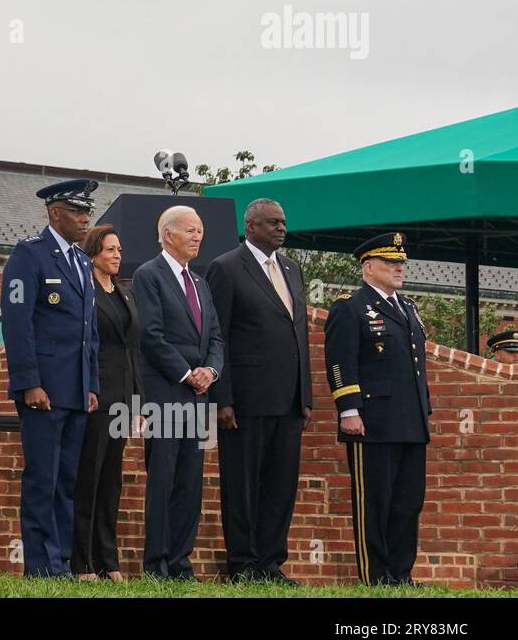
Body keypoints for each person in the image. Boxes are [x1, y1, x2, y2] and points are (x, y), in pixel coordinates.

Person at [206, 198, 312, 584]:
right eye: (273, 223)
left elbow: (299, 333)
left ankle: (271, 563)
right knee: (242, 484)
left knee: (281, 486)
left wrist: (306, 396)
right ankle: (243, 564)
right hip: (246, 401)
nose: (281, 228)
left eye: (283, 222)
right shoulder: (227, 268)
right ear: (251, 227)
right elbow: (218, 336)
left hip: (288, 399)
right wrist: (223, 397)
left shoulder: (291, 268)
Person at [0, 179, 101, 577]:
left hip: (75, 390)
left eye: (87, 212)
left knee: (66, 481)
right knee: (43, 478)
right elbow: (17, 322)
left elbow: (88, 331)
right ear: (54, 213)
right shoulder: (30, 256)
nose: (85, 219)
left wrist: (91, 385)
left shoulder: (79, 261)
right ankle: (40, 565)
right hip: (44, 388)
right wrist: (28, 382)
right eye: (78, 212)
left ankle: (59, 562)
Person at [324, 232, 431, 586]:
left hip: (410, 421)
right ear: (369, 267)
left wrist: (423, 409)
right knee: (375, 503)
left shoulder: (409, 307)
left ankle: (401, 574)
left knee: (407, 503)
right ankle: (376, 576)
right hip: (372, 421)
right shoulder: (351, 306)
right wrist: (348, 409)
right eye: (391, 262)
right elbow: (340, 362)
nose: (399, 268)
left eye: (401, 262)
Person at [132, 205, 224, 580]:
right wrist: (187, 373)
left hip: (197, 397)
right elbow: (151, 336)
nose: (198, 236)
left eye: (200, 230)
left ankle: (180, 562)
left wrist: (210, 371)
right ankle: (157, 564)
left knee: (190, 481)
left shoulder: (200, 283)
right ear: (168, 234)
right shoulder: (148, 276)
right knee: (164, 478)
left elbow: (215, 335)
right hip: (165, 394)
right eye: (190, 230)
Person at [71, 223, 142, 581]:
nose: (117, 256)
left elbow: (134, 350)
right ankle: (81, 562)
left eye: (119, 250)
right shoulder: (84, 291)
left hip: (123, 399)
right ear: (94, 252)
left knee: (112, 481)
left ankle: (107, 561)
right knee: (89, 478)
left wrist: (139, 401)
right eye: (111, 250)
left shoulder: (125, 294)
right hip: (96, 396)